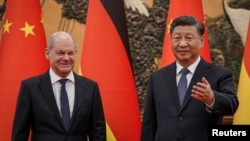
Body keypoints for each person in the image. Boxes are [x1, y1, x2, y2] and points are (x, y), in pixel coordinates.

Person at [140, 15, 239, 141]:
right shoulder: (158, 77)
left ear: (202, 41)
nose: (182, 44)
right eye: (177, 38)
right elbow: (149, 123)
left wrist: (212, 98)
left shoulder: (220, 74)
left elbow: (232, 104)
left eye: (189, 38)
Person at [12, 31, 106, 141]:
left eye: (70, 53)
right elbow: (20, 133)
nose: (66, 58)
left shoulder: (90, 88)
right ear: (47, 53)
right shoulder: (30, 88)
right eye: (60, 53)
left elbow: (98, 132)